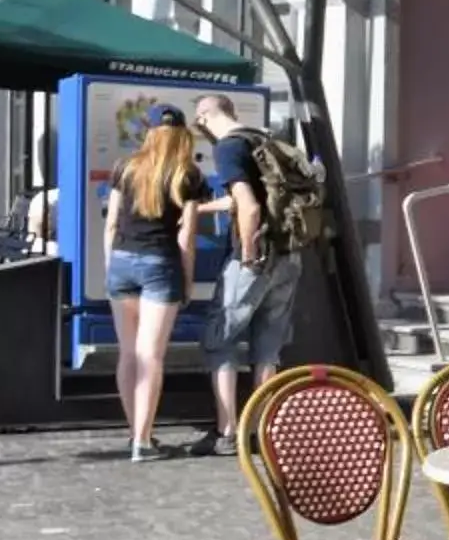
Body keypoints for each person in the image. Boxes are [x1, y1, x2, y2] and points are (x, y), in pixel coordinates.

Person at [187, 93, 302, 458]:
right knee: (268, 344)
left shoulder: (228, 148)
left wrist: (249, 255)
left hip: (256, 257)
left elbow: (249, 208)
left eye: (199, 122)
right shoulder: (261, 140)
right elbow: (246, 199)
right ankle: (261, 429)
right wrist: (200, 208)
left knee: (221, 339)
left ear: (206, 117)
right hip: (289, 255)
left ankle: (226, 432)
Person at [102, 108, 205, 462]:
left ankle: (137, 434)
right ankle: (142, 442)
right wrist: (188, 280)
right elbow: (186, 235)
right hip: (160, 264)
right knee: (151, 356)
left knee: (128, 353)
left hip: (121, 262)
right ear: (181, 137)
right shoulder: (187, 174)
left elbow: (112, 224)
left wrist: (110, 266)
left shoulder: (125, 167)